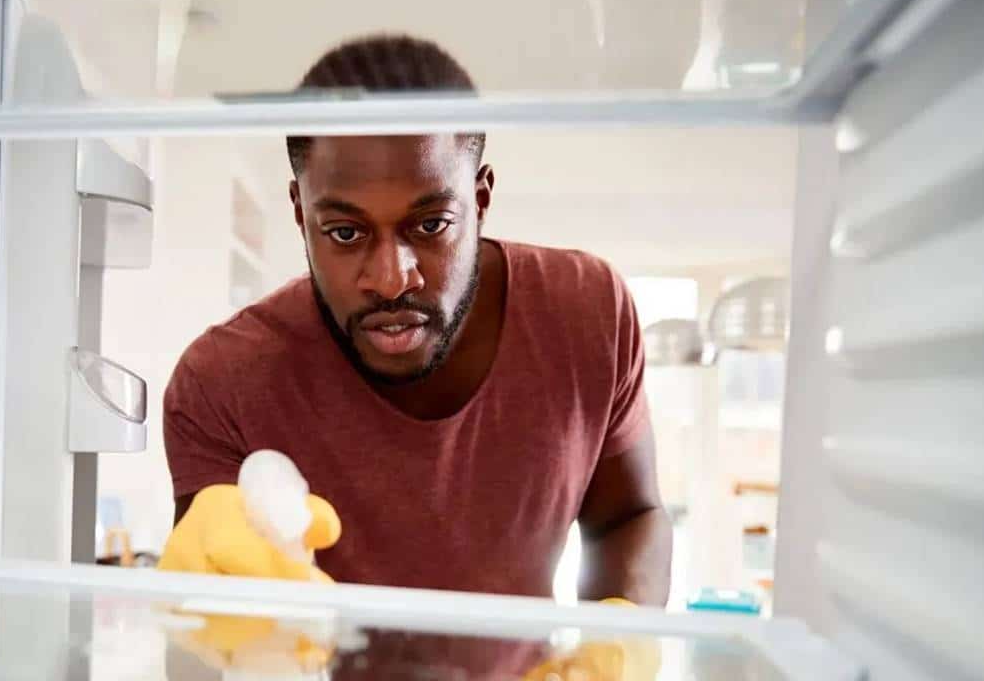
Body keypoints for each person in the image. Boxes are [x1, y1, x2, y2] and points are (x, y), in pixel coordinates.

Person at [160, 34, 671, 612]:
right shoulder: (222, 381)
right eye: (346, 233)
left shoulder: (589, 313)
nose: (392, 278)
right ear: (301, 213)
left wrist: (616, 647)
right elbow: (211, 630)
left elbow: (630, 515)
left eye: (430, 226)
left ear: (479, 201)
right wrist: (201, 606)